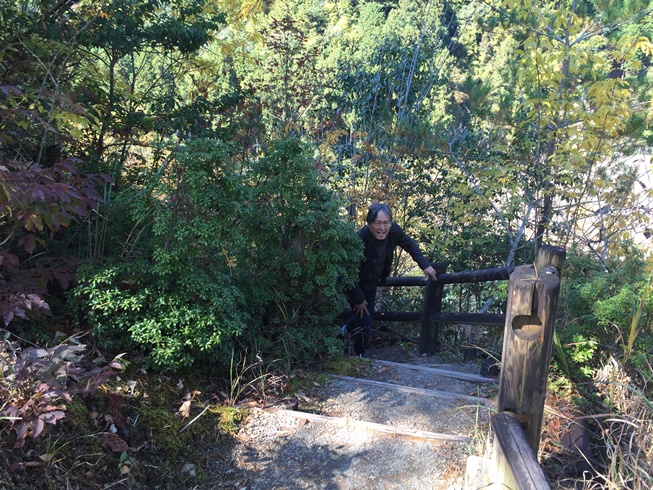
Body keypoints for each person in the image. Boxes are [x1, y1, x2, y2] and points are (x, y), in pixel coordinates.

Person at [344, 203, 437, 357]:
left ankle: (342, 334)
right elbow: (349, 272)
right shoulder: (360, 239)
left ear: (391, 223)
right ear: (369, 223)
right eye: (377, 223)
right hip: (355, 284)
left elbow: (409, 244)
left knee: (365, 315)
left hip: (371, 282)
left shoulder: (394, 231)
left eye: (386, 223)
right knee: (364, 318)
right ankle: (361, 355)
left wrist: (425, 265)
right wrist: (358, 299)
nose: (382, 228)